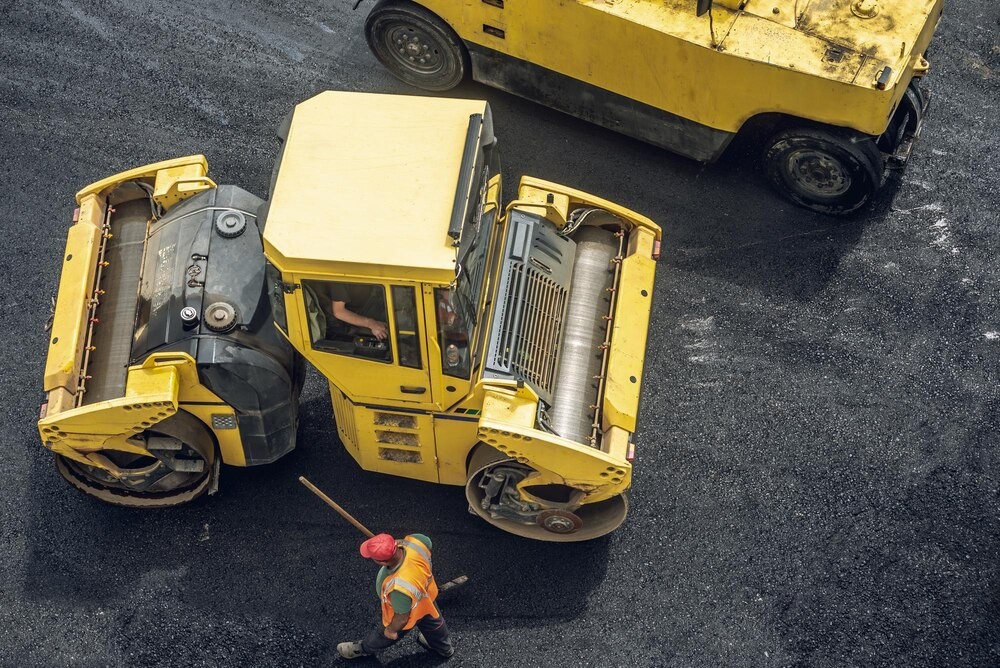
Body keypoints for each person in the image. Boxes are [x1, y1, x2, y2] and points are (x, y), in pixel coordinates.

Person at [337, 533, 455, 660]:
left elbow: (402, 618)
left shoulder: (399, 588)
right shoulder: (416, 542)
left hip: (409, 612)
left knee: (383, 635)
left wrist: (392, 630)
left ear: (382, 562)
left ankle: (363, 648)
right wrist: (392, 545)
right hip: (426, 599)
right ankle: (445, 649)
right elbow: (427, 541)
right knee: (436, 626)